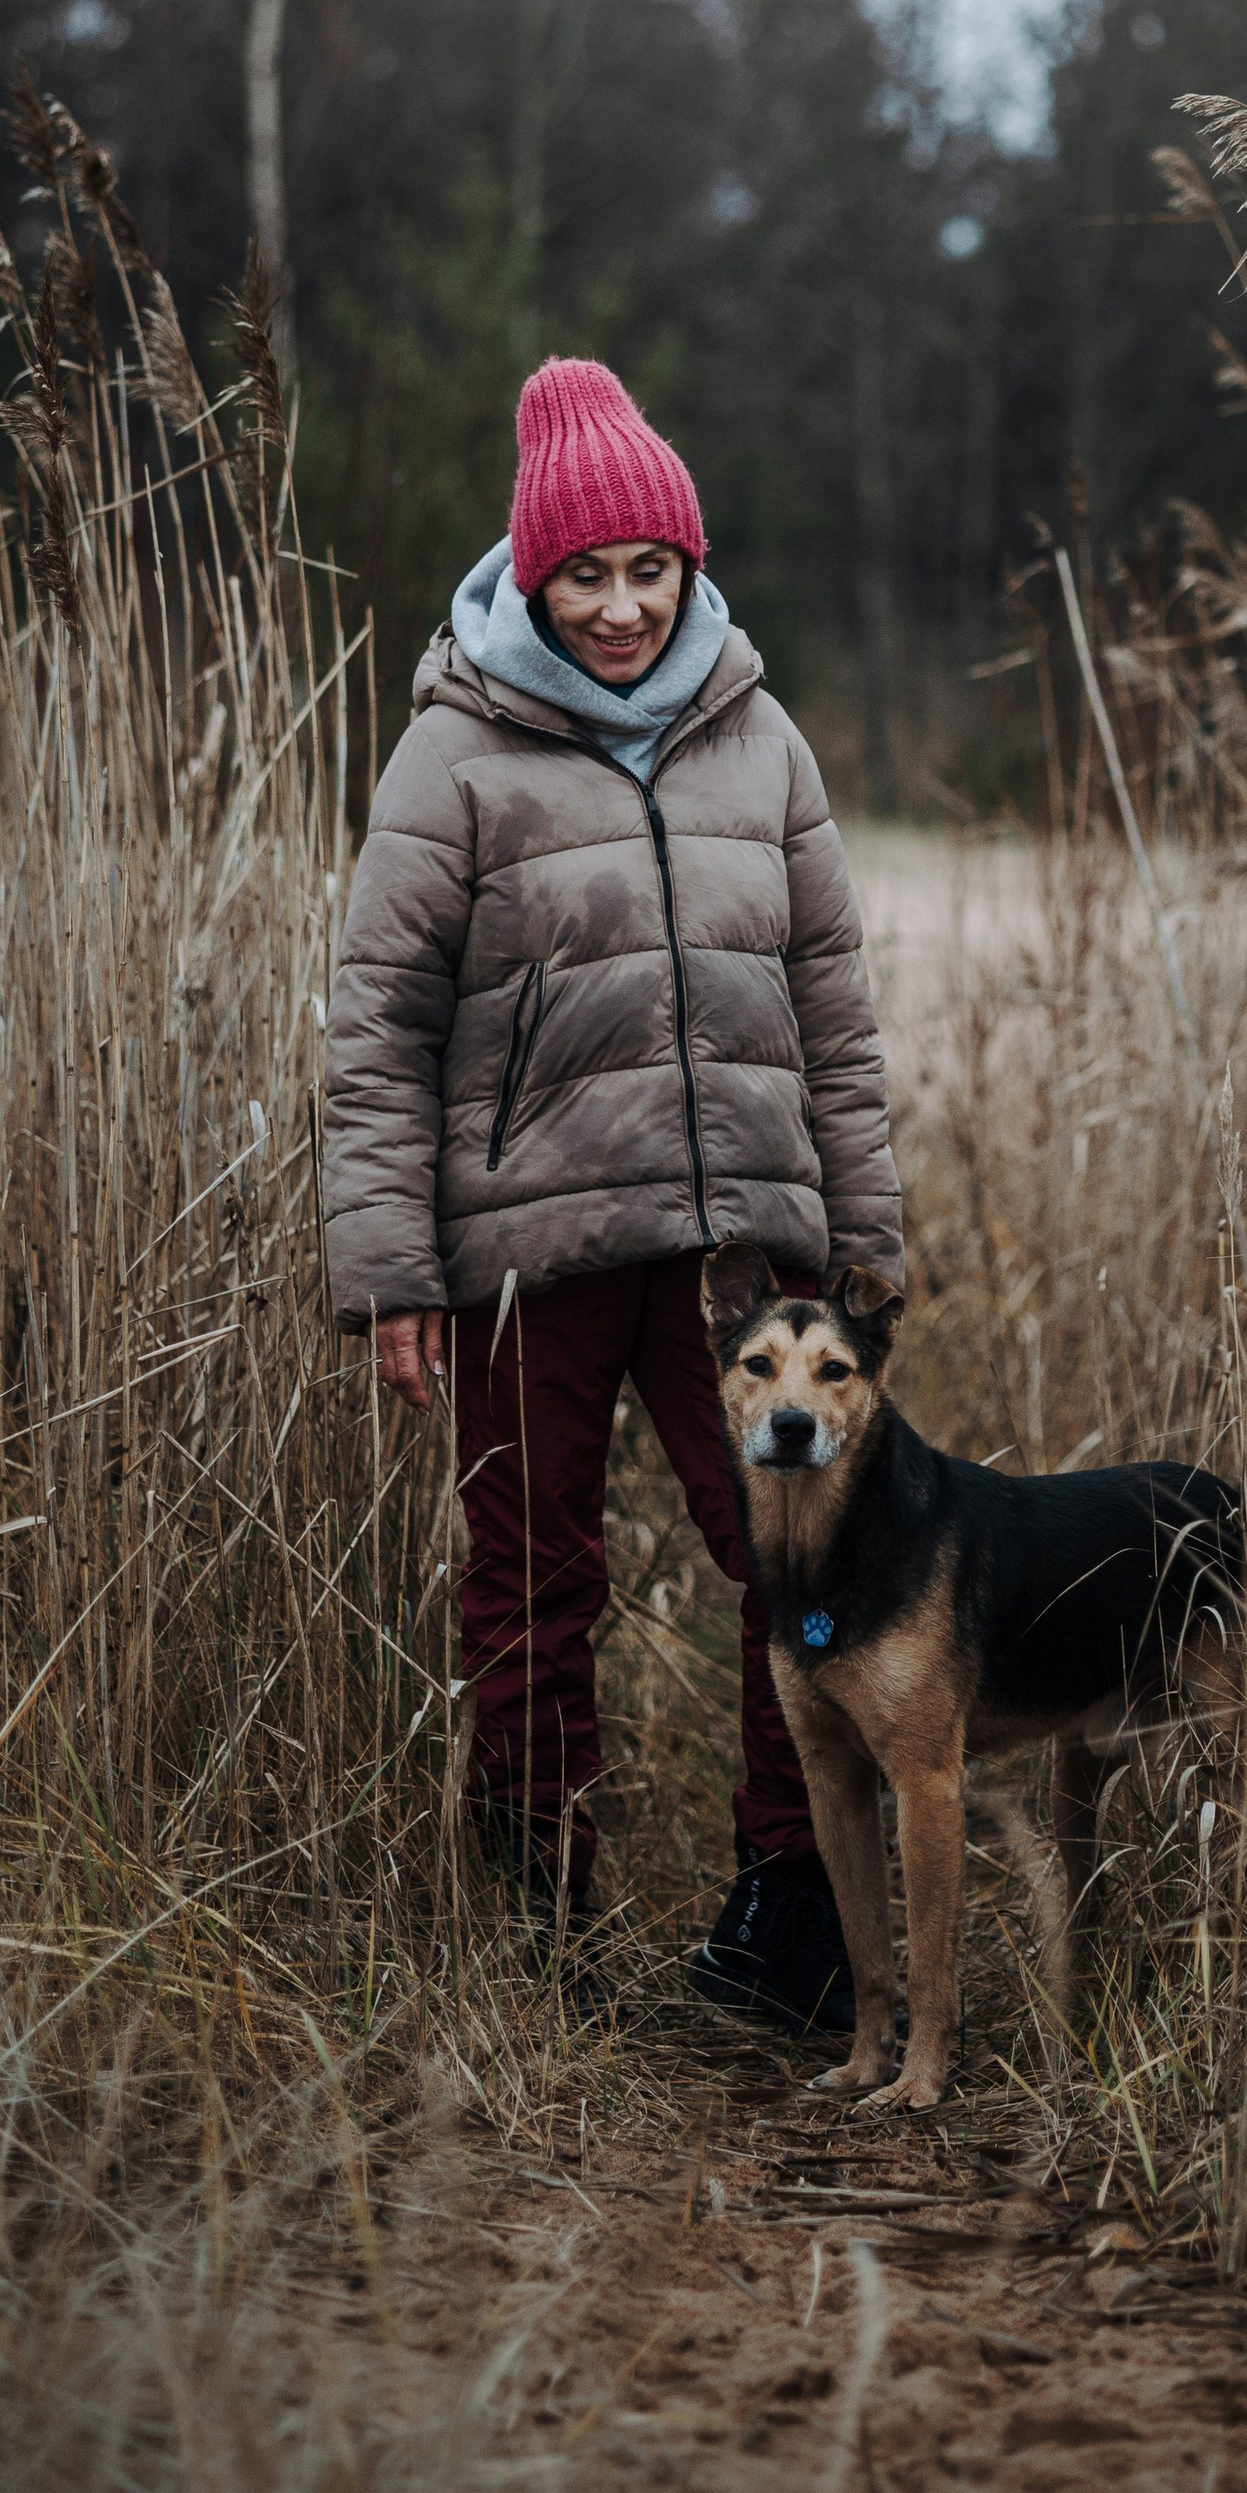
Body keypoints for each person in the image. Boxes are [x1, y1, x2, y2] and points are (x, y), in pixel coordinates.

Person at [321, 355, 903, 2032]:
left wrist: (860, 1242)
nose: (629, 605)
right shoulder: (456, 757)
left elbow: (836, 1019)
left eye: (654, 569)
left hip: (744, 1256)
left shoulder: (762, 739)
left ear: (689, 564)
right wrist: (393, 1270)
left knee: (792, 1553)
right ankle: (538, 1913)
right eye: (590, 573)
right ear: (532, 570)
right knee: (530, 1571)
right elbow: (379, 1033)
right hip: (532, 1252)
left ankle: (790, 1913)